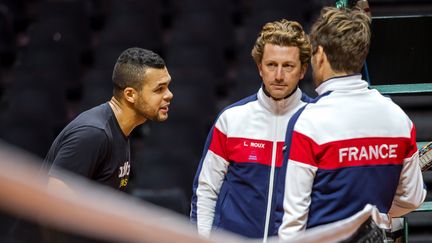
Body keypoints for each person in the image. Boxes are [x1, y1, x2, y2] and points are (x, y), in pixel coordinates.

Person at [278, 7, 427, 240]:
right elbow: (412, 198)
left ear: (320, 55)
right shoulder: (398, 119)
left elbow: (294, 221)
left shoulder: (307, 122)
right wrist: (373, 216)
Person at [190, 19, 312, 239]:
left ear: (303, 70)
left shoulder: (316, 120)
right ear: (259, 68)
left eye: (288, 66)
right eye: (271, 65)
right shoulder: (232, 119)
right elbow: (206, 191)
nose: (278, 76)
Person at [43, 47, 173, 191]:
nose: (169, 95)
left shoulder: (120, 130)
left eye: (168, 87)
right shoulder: (93, 134)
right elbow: (56, 204)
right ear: (130, 94)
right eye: (159, 89)